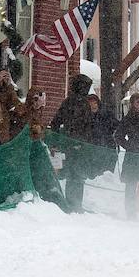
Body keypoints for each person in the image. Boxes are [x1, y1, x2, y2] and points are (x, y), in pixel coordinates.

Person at [50, 73, 97, 211]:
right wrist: (63, 140)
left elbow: (87, 126)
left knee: (77, 175)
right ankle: (73, 203)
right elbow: (57, 123)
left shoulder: (80, 102)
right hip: (73, 144)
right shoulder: (72, 102)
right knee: (75, 174)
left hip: (80, 144)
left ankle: (76, 203)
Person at [114, 92, 139, 220]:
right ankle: (130, 213)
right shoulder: (128, 118)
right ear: (132, 104)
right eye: (138, 101)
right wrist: (129, 146)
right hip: (132, 157)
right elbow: (118, 136)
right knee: (131, 185)